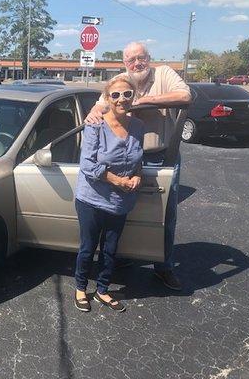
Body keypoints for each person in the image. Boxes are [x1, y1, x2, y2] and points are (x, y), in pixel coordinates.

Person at [85, 42, 191, 291]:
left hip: (161, 156)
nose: (136, 63)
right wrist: (93, 111)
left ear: (148, 58)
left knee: (165, 215)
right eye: (131, 60)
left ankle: (164, 267)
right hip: (126, 159)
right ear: (125, 63)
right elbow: (101, 104)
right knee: (122, 211)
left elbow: (185, 96)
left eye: (140, 58)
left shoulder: (164, 73)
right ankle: (123, 259)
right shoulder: (121, 81)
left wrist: (146, 101)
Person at [74, 76, 144, 313]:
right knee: (88, 247)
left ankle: (102, 290)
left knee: (110, 249)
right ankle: (81, 288)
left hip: (120, 201)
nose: (121, 99)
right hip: (91, 198)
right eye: (115, 95)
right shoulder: (95, 125)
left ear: (133, 97)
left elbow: (137, 161)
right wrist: (118, 180)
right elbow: (87, 165)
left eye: (127, 94)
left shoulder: (138, 127)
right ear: (107, 98)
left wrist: (137, 177)